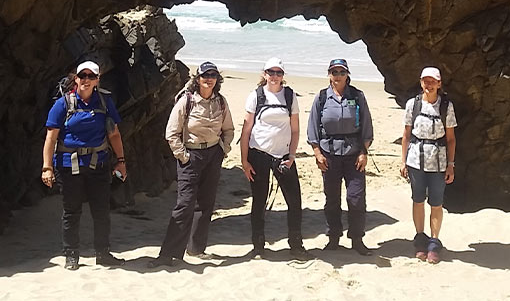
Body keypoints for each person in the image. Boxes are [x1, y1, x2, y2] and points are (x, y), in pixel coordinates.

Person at [41, 59, 127, 270]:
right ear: (76, 78)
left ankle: (103, 253)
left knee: (101, 211)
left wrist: (121, 162)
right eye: (83, 76)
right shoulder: (63, 103)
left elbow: (114, 134)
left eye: (91, 76)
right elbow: (51, 138)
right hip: (68, 165)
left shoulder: (104, 102)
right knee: (72, 211)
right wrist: (47, 167)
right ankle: (71, 255)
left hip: (98, 164)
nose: (86, 80)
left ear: (97, 80)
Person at [154, 61, 235, 265]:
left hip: (213, 154)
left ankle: (196, 248)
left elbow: (229, 129)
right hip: (191, 155)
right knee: (184, 205)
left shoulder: (221, 102)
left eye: (213, 76)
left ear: (217, 80)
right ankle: (168, 254)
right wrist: (183, 156)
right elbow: (171, 133)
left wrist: (223, 150)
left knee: (206, 204)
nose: (209, 79)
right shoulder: (186, 101)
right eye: (205, 76)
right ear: (197, 79)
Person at [307, 58, 375, 254]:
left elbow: (366, 126)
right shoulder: (321, 98)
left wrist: (364, 152)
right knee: (332, 199)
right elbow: (312, 127)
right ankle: (333, 238)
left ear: (347, 75)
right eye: (334, 72)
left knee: (356, 198)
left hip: (354, 154)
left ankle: (357, 240)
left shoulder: (357, 96)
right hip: (329, 155)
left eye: (341, 72)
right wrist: (317, 153)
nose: (338, 76)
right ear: (329, 74)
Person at [239, 58, 305, 257]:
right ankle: (258, 246)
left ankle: (296, 244)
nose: (275, 76)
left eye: (279, 73)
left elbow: (295, 130)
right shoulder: (256, 96)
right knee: (259, 200)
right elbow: (246, 131)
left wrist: (292, 156)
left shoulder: (290, 96)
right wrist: (244, 161)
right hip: (258, 154)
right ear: (264, 74)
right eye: (271, 72)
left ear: (283, 76)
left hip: (283, 156)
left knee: (294, 201)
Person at [399, 66, 457, 264]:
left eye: (433, 81)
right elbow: (406, 135)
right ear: (421, 82)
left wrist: (450, 164)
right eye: (425, 80)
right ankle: (420, 238)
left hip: (438, 163)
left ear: (439, 84)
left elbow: (450, 139)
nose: (428, 84)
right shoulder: (412, 105)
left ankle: (433, 243)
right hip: (415, 160)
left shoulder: (446, 106)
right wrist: (403, 161)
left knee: (436, 203)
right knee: (417, 200)